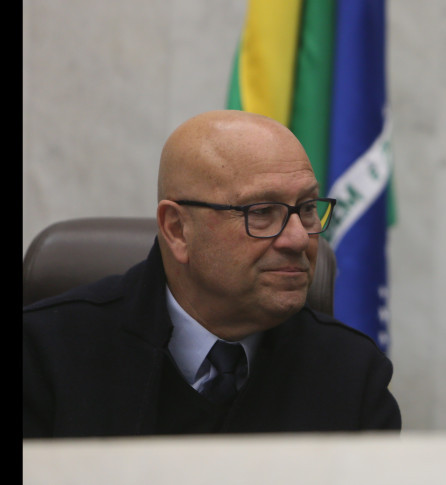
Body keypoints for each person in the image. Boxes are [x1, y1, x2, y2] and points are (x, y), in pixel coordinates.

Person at [23, 110, 401, 438]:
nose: (299, 237)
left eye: (306, 208)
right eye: (262, 211)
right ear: (177, 229)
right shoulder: (44, 355)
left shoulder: (352, 374)